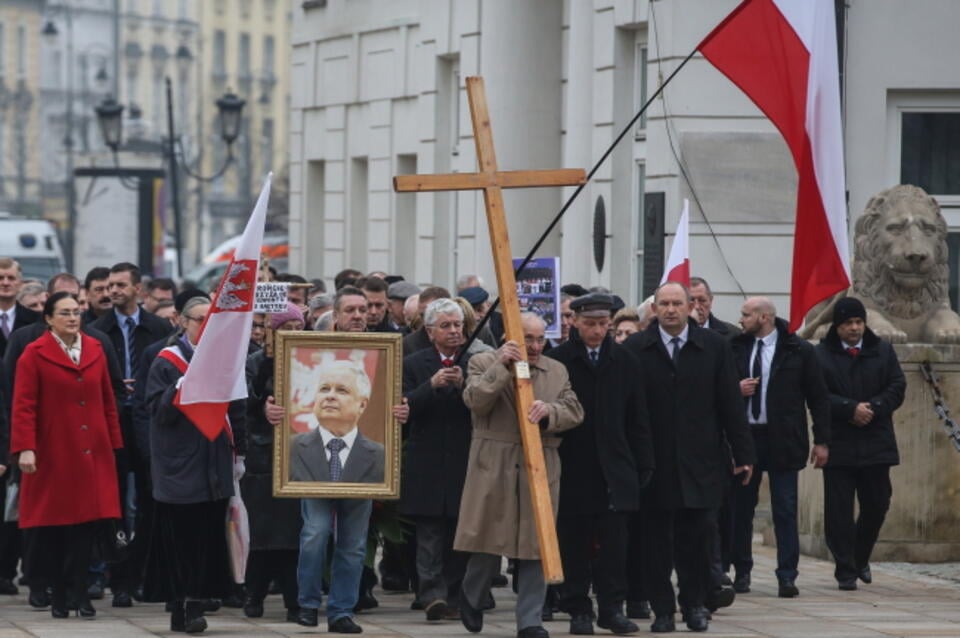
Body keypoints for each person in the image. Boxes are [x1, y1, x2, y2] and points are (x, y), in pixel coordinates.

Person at [622, 282, 754, 633]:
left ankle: (694, 605)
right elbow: (627, 409)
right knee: (656, 545)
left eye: (677, 303)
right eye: (663, 304)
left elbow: (730, 404)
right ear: (654, 309)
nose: (670, 310)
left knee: (696, 541)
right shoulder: (637, 348)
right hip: (654, 464)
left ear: (689, 307)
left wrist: (743, 453)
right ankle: (663, 610)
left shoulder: (714, 346)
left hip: (702, 462)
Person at [455, 312, 584, 638]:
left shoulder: (555, 370)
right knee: (486, 540)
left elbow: (574, 409)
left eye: (541, 338)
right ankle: (471, 595)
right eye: (529, 338)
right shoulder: (483, 361)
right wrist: (502, 366)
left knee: (535, 543)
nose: (537, 346)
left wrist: (549, 412)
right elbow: (475, 401)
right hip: (493, 462)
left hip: (539, 462)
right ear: (511, 337)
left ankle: (530, 621)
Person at [11, 291, 123, 619]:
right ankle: (59, 593)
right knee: (56, 528)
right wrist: (25, 448)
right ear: (48, 318)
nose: (73, 318)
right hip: (54, 452)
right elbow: (24, 406)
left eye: (77, 312)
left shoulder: (96, 349)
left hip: (94, 452)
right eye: (65, 313)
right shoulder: (33, 354)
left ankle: (81, 593)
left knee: (87, 528)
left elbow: (107, 401)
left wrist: (114, 445)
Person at [548, 293, 654, 635]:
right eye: (589, 324)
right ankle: (578, 607)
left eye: (602, 324)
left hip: (615, 466)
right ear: (575, 322)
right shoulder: (560, 360)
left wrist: (643, 463)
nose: (596, 331)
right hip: (573, 464)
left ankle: (612, 608)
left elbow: (639, 417)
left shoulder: (625, 360)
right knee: (574, 541)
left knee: (615, 545)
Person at [144, 295, 243, 633]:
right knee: (182, 542)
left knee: (207, 540)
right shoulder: (167, 361)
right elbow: (158, 412)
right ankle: (182, 605)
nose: (205, 325)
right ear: (182, 322)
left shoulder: (223, 360)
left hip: (213, 464)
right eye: (199, 319)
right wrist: (182, 385)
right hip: (180, 466)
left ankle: (198, 604)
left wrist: (239, 453)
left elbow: (237, 408)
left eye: (210, 319)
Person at [729, 297, 831, 598]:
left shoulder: (798, 350)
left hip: (784, 439)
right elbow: (718, 388)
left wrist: (822, 440)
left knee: (785, 509)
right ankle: (742, 571)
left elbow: (818, 397)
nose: (741, 319)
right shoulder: (736, 347)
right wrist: (737, 389)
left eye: (746, 315)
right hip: (746, 437)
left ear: (764, 317)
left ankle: (787, 575)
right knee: (741, 508)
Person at [91, 261, 174, 608]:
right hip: (111, 421)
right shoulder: (97, 329)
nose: (113, 291)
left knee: (149, 500)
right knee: (111, 503)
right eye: (110, 285)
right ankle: (117, 576)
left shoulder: (157, 328)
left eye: (121, 285)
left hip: (149, 423)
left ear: (138, 290)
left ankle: (141, 573)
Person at [289, 359, 386, 633]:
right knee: (315, 534)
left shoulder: (377, 453)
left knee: (353, 545)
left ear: (362, 404)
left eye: (342, 390)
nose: (330, 395)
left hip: (359, 487)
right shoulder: (294, 447)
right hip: (314, 485)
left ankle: (341, 611)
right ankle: (307, 604)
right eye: (324, 388)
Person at [815, 297, 905, 591]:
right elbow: (817, 396)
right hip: (839, 443)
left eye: (858, 322)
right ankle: (845, 569)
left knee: (877, 504)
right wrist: (848, 408)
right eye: (848, 324)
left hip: (876, 442)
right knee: (838, 512)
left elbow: (897, 387)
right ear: (837, 326)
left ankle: (859, 555)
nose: (854, 328)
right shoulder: (822, 355)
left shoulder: (882, 350)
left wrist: (874, 407)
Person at [400, 299, 473, 621]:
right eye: (446, 325)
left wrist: (464, 385)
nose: (454, 331)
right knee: (429, 534)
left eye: (458, 325)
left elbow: (487, 404)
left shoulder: (475, 362)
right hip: (426, 460)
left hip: (463, 459)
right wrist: (431, 385)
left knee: (460, 532)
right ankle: (431, 596)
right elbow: (403, 408)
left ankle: (455, 595)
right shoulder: (413, 364)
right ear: (430, 332)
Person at [242, 302, 304, 622]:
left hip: (300, 455)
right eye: (285, 329)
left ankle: (295, 600)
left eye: (298, 328)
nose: (293, 334)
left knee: (294, 535)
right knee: (263, 533)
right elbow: (244, 404)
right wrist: (262, 407)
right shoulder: (256, 362)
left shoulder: (309, 360)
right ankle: (254, 594)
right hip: (264, 455)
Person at [0, 258, 41, 358]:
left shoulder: (36, 319)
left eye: (11, 278)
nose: (5, 283)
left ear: (20, 284)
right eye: (0, 278)